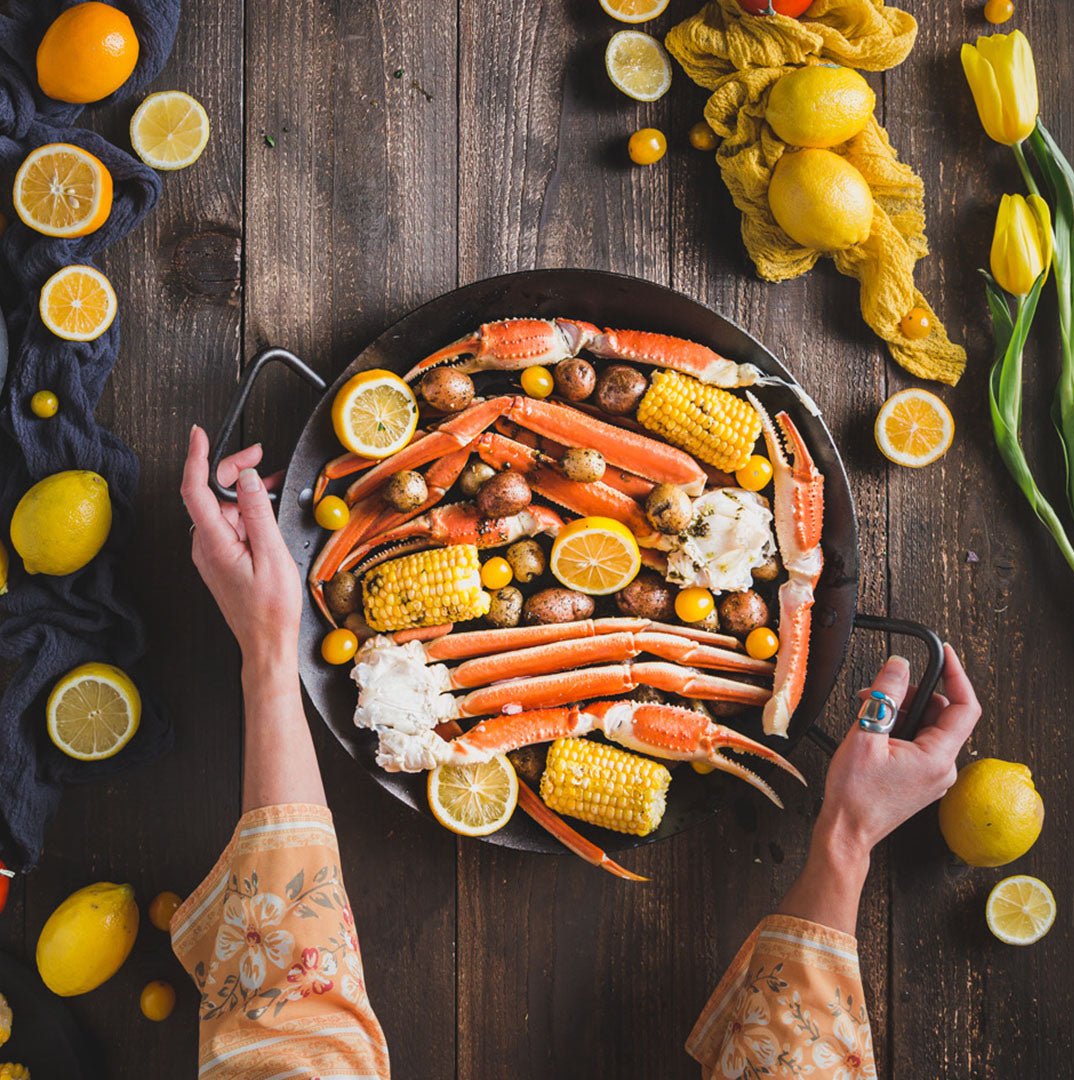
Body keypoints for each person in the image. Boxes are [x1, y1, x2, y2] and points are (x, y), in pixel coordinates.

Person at [179, 425, 981, 1079]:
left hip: (452, 695)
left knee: (625, 661)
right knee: (624, 660)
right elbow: (792, 1058)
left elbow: (287, 1012)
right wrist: (844, 835)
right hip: (468, 694)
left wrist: (268, 645)